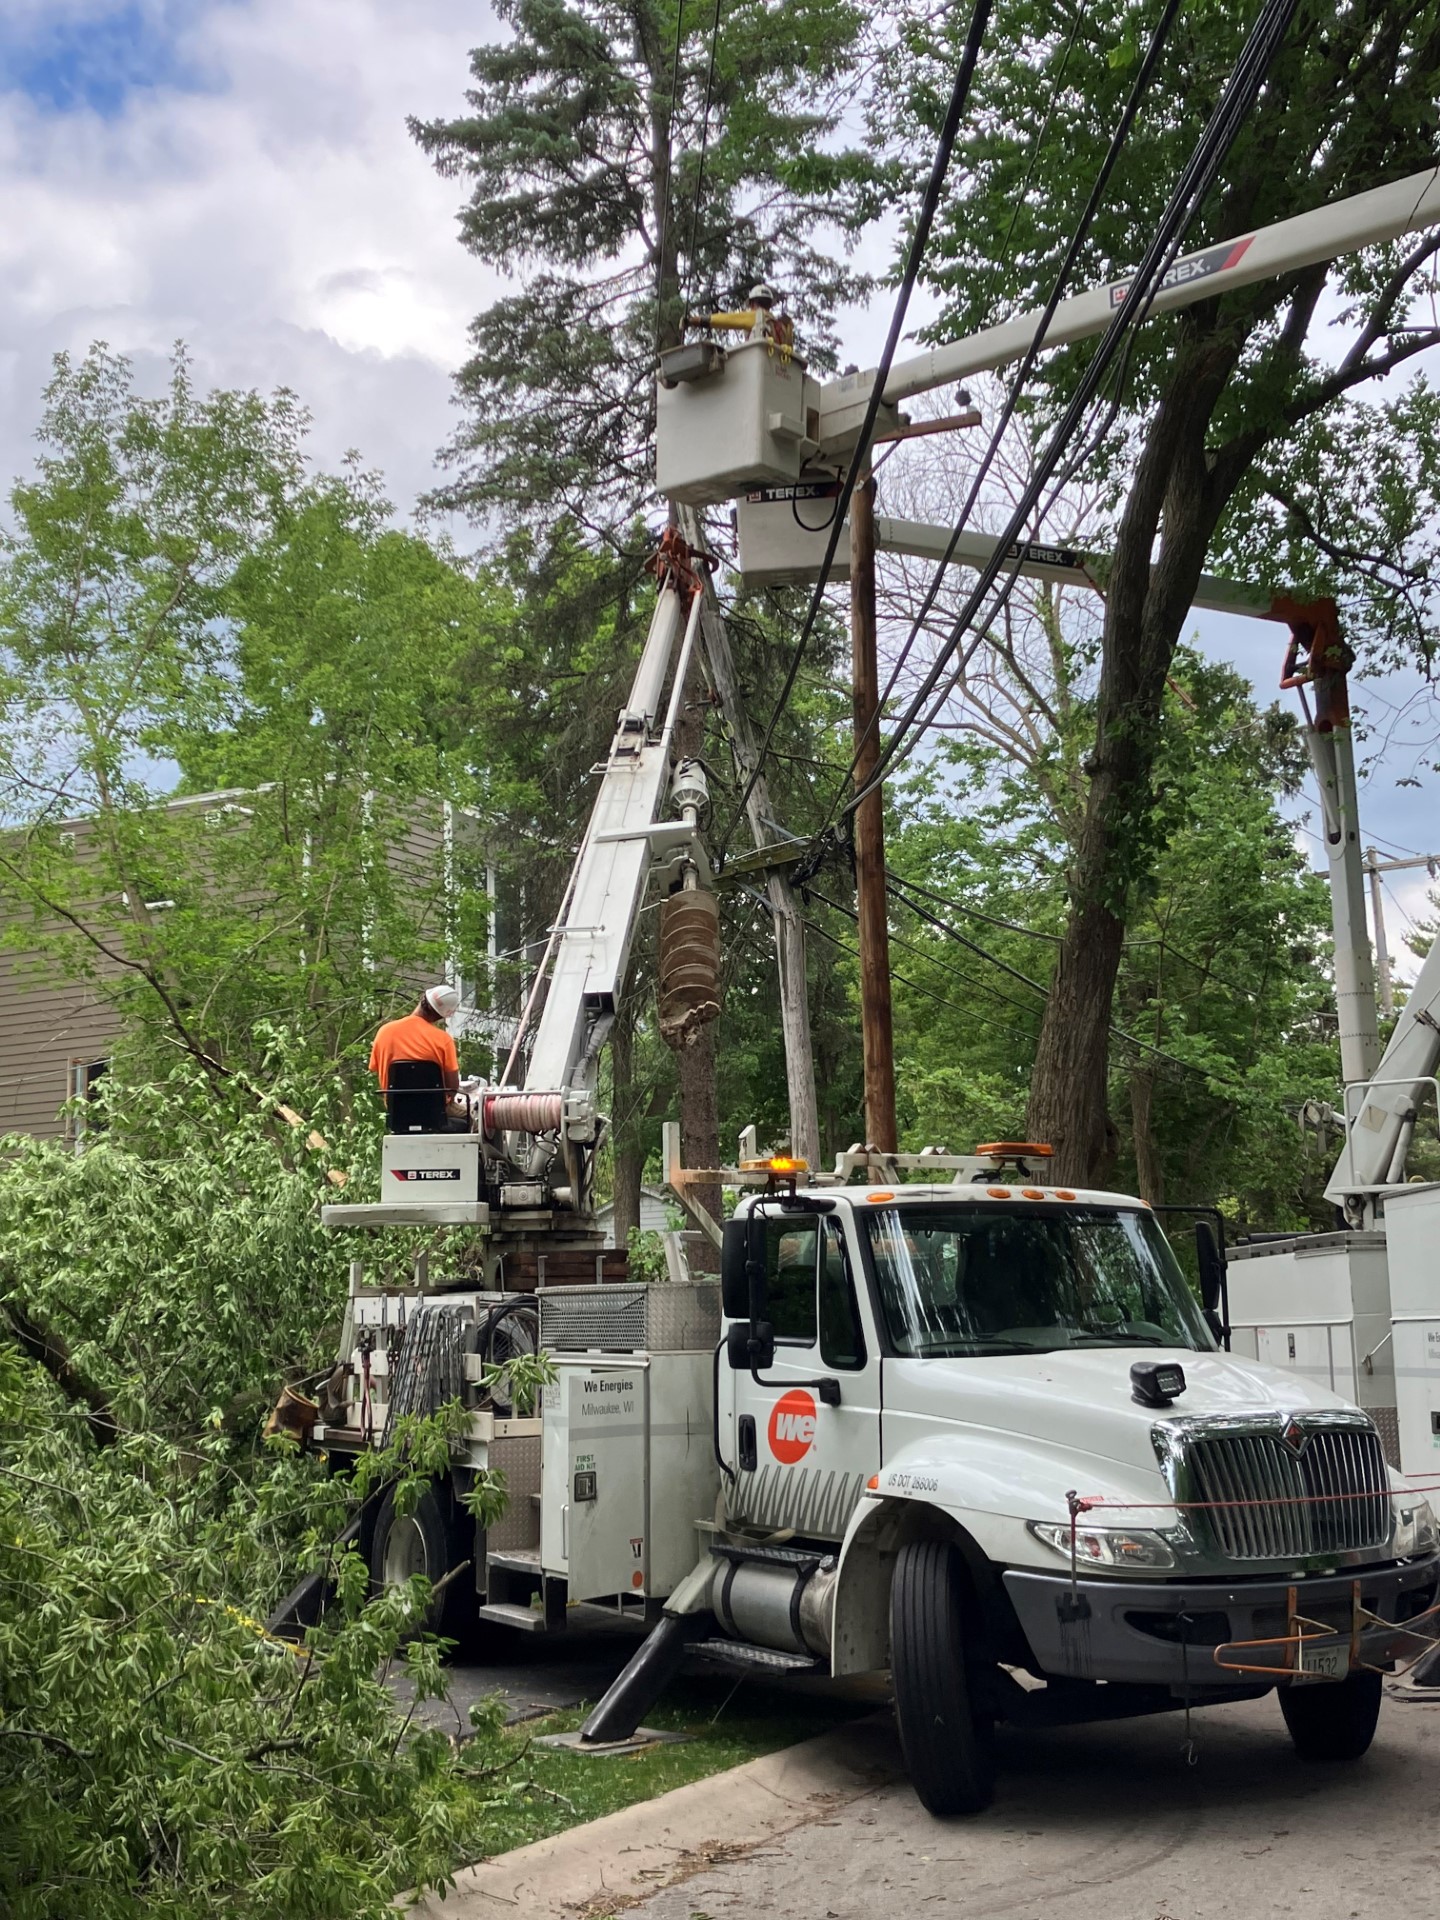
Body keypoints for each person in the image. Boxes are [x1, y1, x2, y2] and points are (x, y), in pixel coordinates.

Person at [369, 985, 468, 1127]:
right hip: (435, 1112)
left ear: (423, 998)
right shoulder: (443, 1039)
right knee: (479, 1117)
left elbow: (381, 1072)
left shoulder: (384, 1032)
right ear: (441, 1015)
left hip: (397, 1112)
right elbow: (452, 1088)